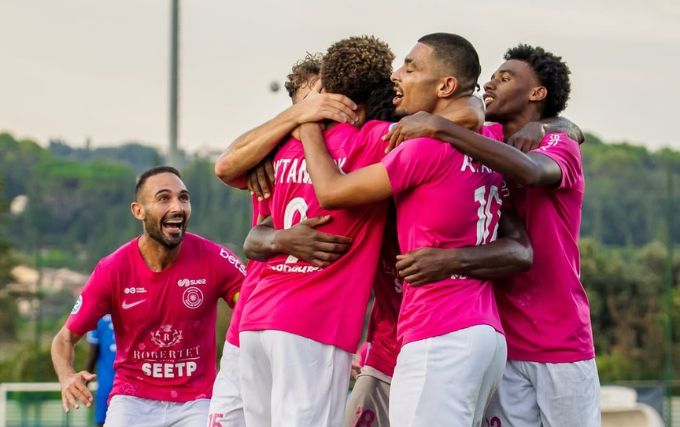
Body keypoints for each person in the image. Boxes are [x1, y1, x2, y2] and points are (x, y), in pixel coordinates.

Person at [298, 33, 530, 427]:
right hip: (485, 334)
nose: (397, 75)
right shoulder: (486, 139)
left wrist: (306, 123)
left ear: (445, 85)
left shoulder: (423, 148)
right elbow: (473, 109)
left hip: (439, 330)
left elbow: (332, 192)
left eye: (410, 67)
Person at [383, 44, 600, 427]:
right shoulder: (490, 139)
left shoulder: (558, 144)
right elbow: (468, 114)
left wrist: (440, 127)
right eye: (492, 76)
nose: (490, 83)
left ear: (537, 94)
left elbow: (530, 172)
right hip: (501, 337)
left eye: (505, 77)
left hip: (559, 339)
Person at [208, 53, 353, 427]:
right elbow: (225, 169)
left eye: (324, 95)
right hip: (252, 323)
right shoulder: (271, 151)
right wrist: (283, 240)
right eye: (310, 99)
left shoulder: (350, 148)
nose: (319, 105)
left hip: (306, 322)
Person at [51, 166, 245, 427]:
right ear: (138, 211)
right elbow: (64, 339)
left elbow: (256, 308)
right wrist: (66, 376)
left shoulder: (215, 259)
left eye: (184, 198)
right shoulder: (112, 269)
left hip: (198, 401)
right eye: (164, 198)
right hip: (132, 400)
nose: (177, 207)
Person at [85, 315, 116, 427]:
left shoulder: (97, 320)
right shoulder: (133, 315)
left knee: (103, 423)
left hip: (106, 387)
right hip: (131, 387)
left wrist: (85, 384)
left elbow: (92, 356)